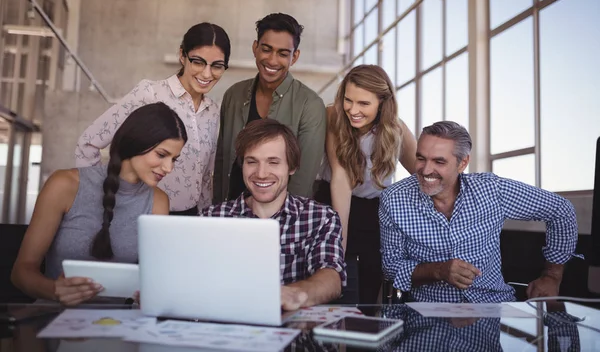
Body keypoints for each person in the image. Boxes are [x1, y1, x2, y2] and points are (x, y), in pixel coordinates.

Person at [380, 121, 580, 303]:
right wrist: (438, 270)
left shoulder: (492, 190)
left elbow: (561, 210)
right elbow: (391, 267)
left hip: (492, 307)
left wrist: (552, 276)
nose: (425, 170)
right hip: (428, 315)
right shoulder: (394, 199)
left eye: (439, 162)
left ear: (462, 163)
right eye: (421, 158)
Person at [12, 103, 187, 305]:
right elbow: (21, 272)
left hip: (117, 324)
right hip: (55, 318)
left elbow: (156, 278)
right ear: (136, 142)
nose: (168, 168)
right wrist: (54, 290)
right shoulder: (64, 185)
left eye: (175, 159)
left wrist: (150, 293)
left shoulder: (158, 201)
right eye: (162, 154)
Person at [75, 22, 230, 215]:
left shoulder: (214, 111)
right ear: (182, 55)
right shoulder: (150, 94)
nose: (207, 73)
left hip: (191, 217)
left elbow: (206, 177)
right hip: (141, 212)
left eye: (217, 66)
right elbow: (88, 143)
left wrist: (204, 218)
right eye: (198, 62)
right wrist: (99, 201)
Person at [203, 118, 345, 310]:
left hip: (295, 335)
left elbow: (331, 277)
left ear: (292, 167)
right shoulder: (211, 219)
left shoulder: (320, 218)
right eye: (252, 162)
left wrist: (296, 294)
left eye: (273, 162)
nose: (261, 173)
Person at [314, 64, 417, 304]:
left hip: (374, 213)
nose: (353, 110)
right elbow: (340, 178)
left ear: (383, 102)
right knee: (334, 285)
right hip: (334, 203)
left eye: (364, 104)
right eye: (349, 100)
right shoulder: (333, 115)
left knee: (368, 297)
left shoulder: (396, 129)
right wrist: (338, 249)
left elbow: (423, 174)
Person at [213, 13, 326, 203]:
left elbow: (303, 179)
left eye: (283, 54)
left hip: (279, 221)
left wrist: (285, 225)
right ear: (255, 48)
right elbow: (222, 161)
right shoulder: (233, 95)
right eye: (266, 49)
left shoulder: (310, 105)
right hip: (230, 212)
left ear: (295, 57)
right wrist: (217, 210)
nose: (272, 60)